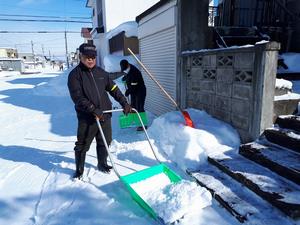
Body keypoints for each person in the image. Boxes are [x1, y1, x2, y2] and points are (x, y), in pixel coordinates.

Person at [68, 43, 131, 179]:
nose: (90, 60)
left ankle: (102, 163)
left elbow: (113, 89)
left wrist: (124, 102)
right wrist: (93, 109)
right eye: (87, 57)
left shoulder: (101, 73)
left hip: (105, 115)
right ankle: (79, 170)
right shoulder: (75, 75)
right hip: (87, 117)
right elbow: (77, 97)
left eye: (93, 57)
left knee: (105, 141)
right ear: (81, 57)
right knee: (82, 144)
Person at [120, 59, 146, 131]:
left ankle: (143, 125)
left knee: (140, 107)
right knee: (133, 106)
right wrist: (125, 78)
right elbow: (129, 76)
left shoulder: (134, 72)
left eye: (125, 68)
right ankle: (134, 121)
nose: (125, 70)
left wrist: (128, 91)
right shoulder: (130, 69)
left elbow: (134, 85)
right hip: (134, 91)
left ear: (128, 64)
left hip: (140, 91)